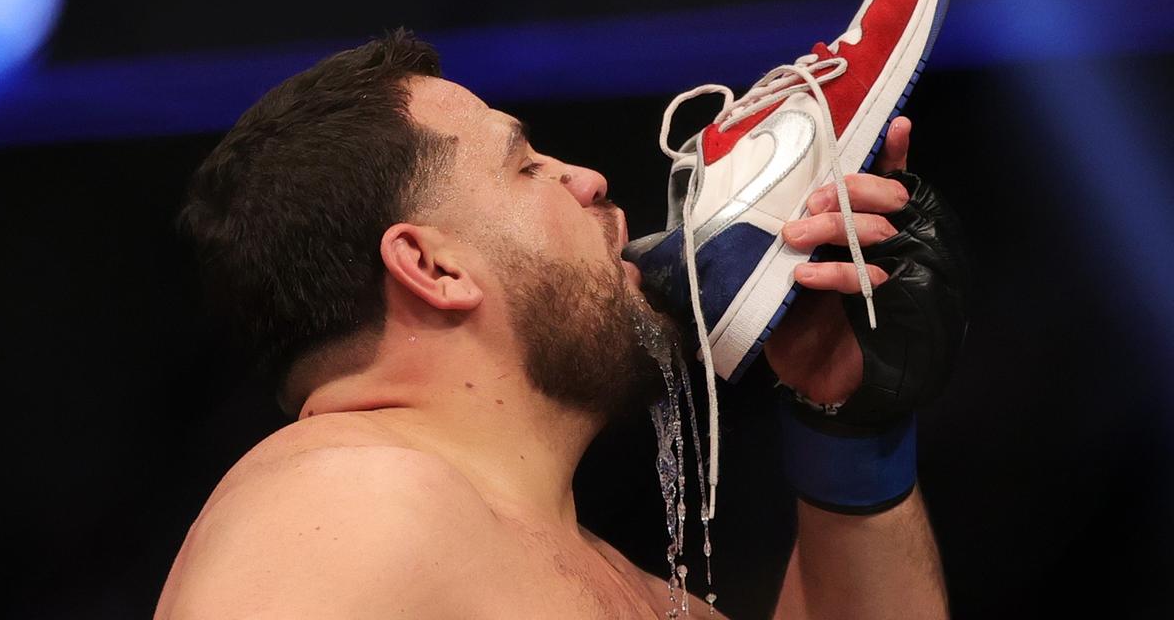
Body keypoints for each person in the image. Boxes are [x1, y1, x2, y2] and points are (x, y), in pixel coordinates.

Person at [156, 30, 950, 619]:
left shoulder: (622, 588)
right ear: (433, 268)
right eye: (527, 165)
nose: (590, 179)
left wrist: (848, 426)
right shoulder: (346, 501)